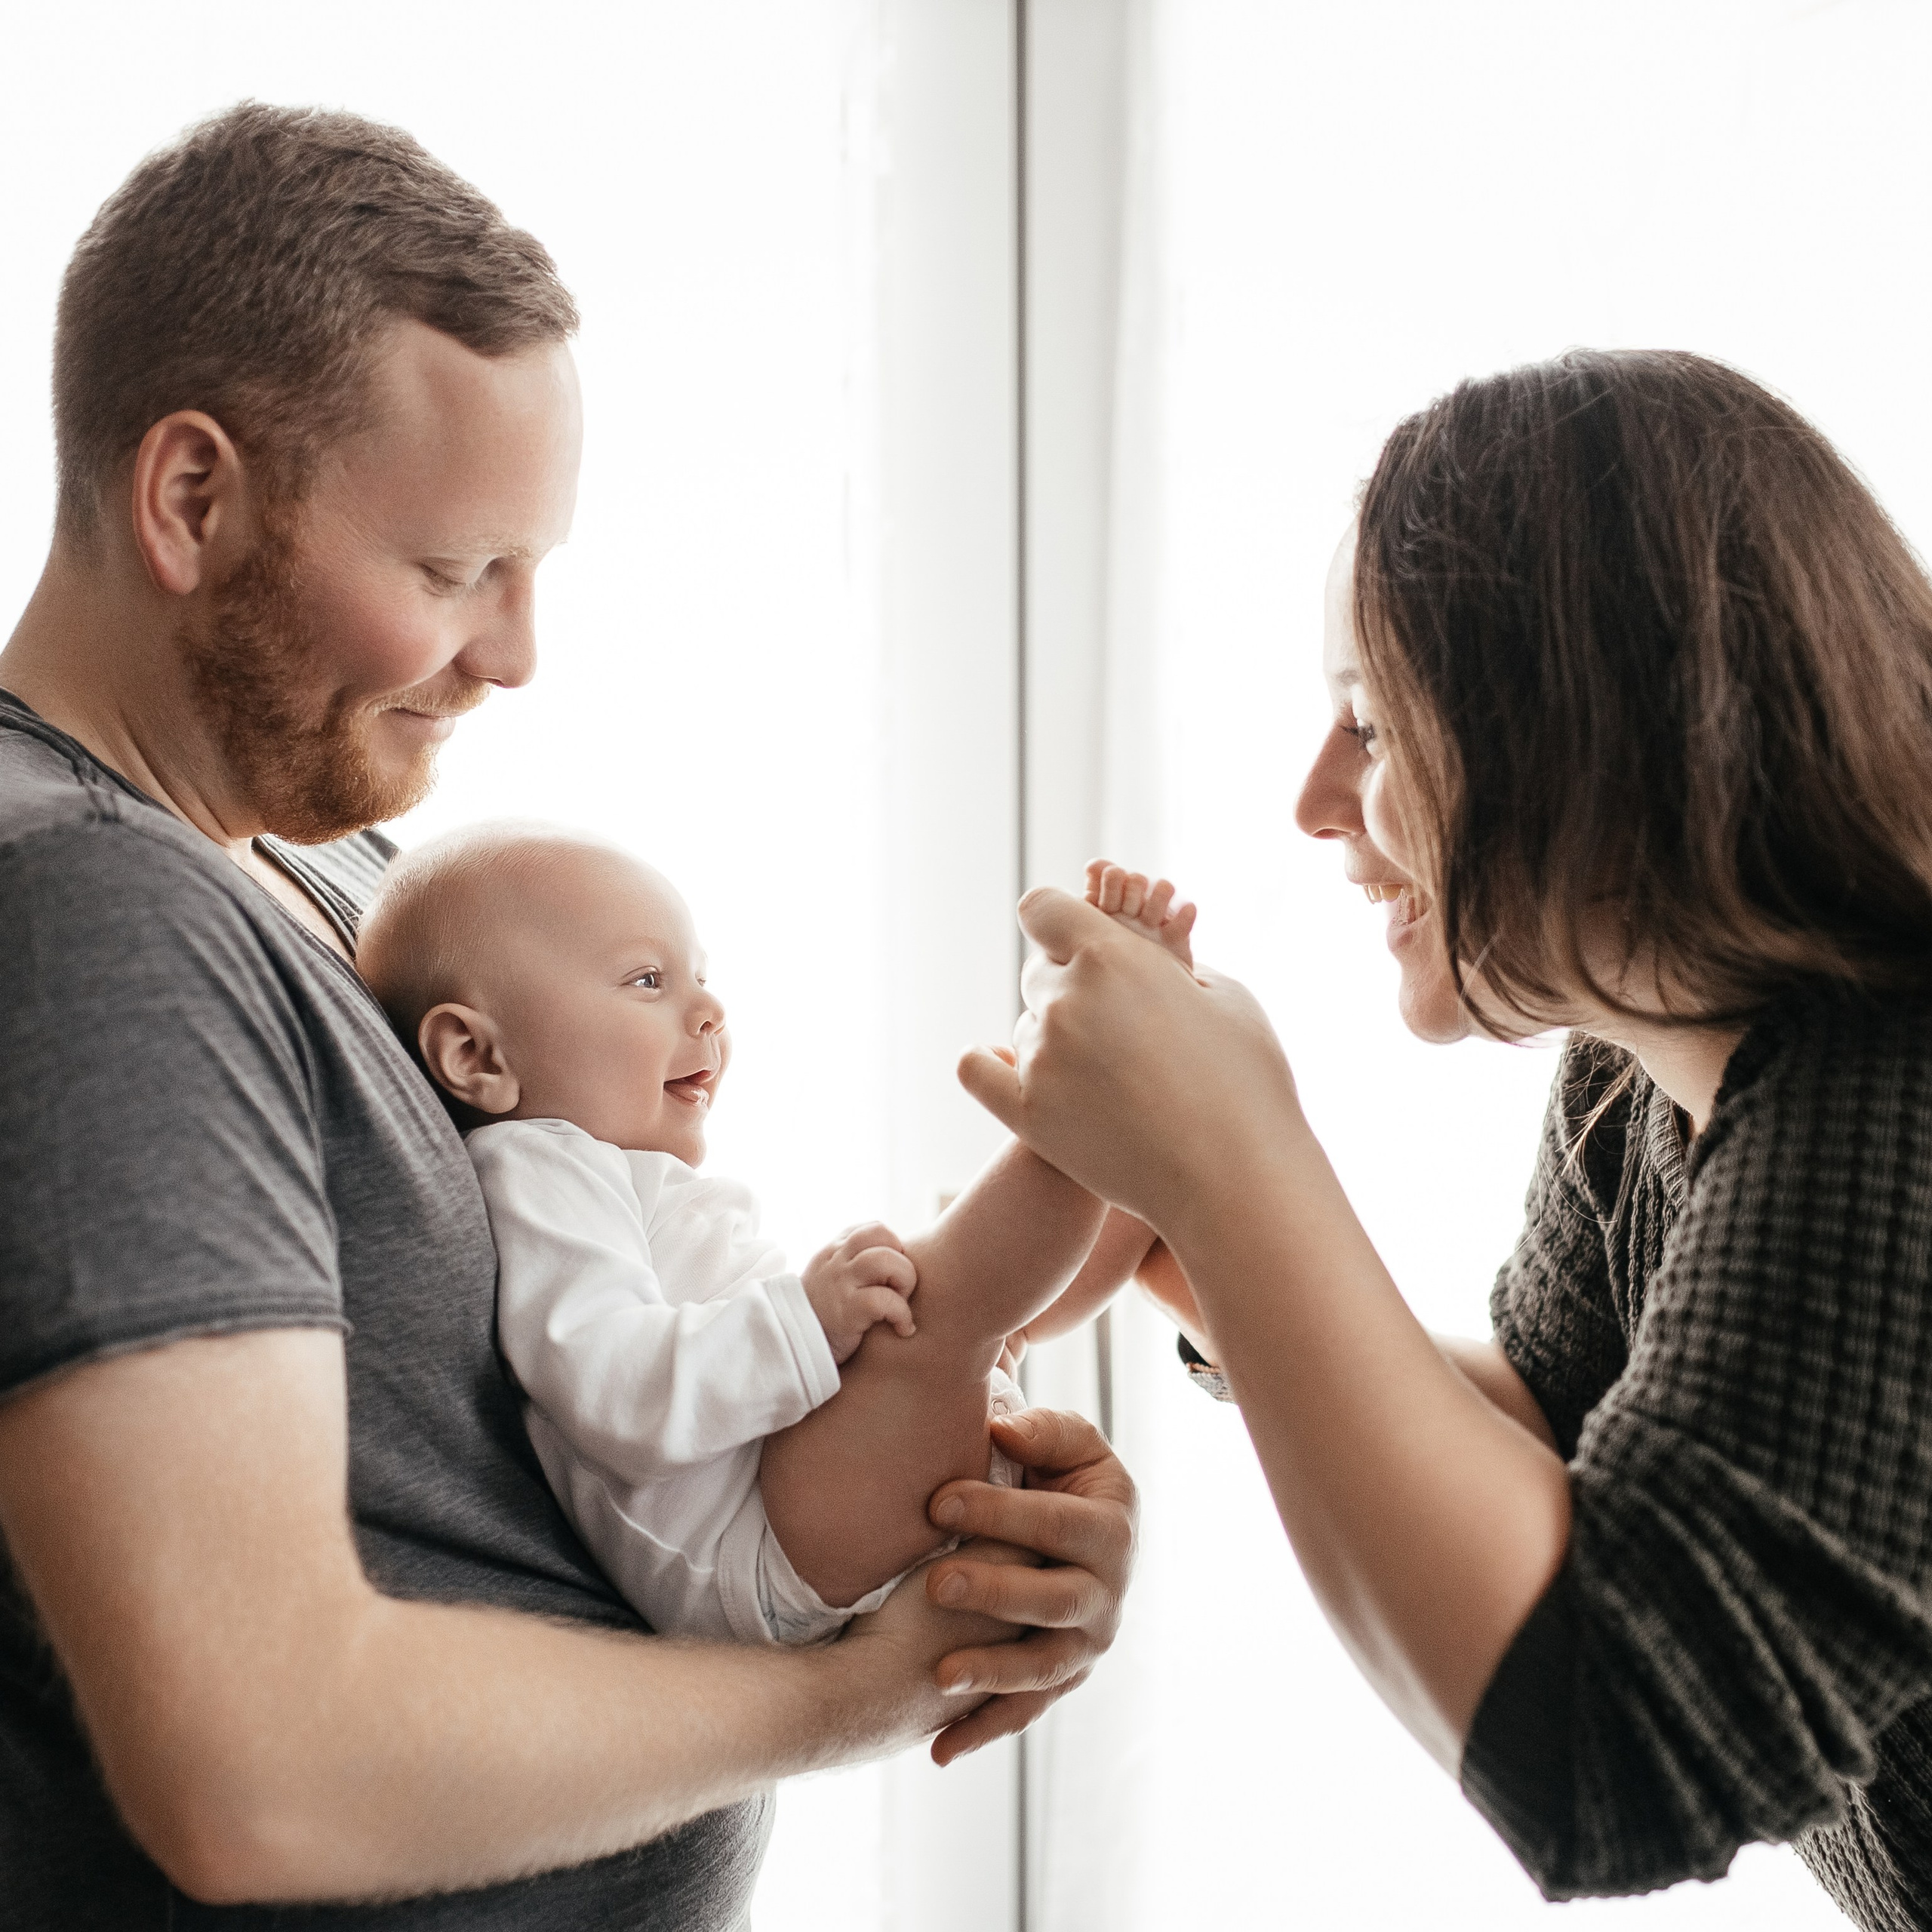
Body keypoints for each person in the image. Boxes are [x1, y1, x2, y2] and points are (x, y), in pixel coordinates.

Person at [0, 103, 1135, 1928]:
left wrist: (926, 1524)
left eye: (531, 572)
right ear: (191, 498)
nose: (516, 654)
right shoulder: (92, 904)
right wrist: (870, 1680)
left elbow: (540, 1426)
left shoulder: (345, 887)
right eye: (454, 573)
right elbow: (256, 1767)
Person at [962, 349, 1932, 1929]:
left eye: (1368, 721)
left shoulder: (1893, 1084)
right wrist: (1181, 1227)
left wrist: (1229, 1153)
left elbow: (1614, 1744)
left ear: (1588, 726)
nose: (1312, 799)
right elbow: (1552, 1439)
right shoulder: (1640, 1085)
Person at [355, 825, 1175, 1645]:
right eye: (648, 980)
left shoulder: (611, 1171)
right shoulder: (538, 1164)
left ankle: (1151, 1084)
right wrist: (807, 1320)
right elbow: (613, 1389)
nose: (709, 1009)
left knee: (1087, 1235)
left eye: (700, 978)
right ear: (475, 1055)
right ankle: (1116, 1060)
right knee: (948, 1300)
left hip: (797, 1494)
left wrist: (825, 1325)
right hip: (752, 1545)